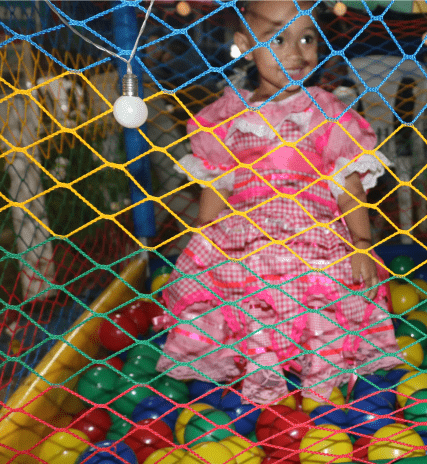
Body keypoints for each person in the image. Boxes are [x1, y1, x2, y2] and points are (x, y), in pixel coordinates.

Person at [154, 1, 401, 405]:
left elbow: (349, 186)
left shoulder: (325, 111)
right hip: (246, 231)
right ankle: (260, 374)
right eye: (278, 39)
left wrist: (361, 243)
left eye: (307, 38)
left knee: (322, 287)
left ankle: (320, 381)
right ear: (244, 45)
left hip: (311, 229)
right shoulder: (227, 115)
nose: (296, 53)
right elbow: (218, 183)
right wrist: (201, 238)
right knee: (236, 284)